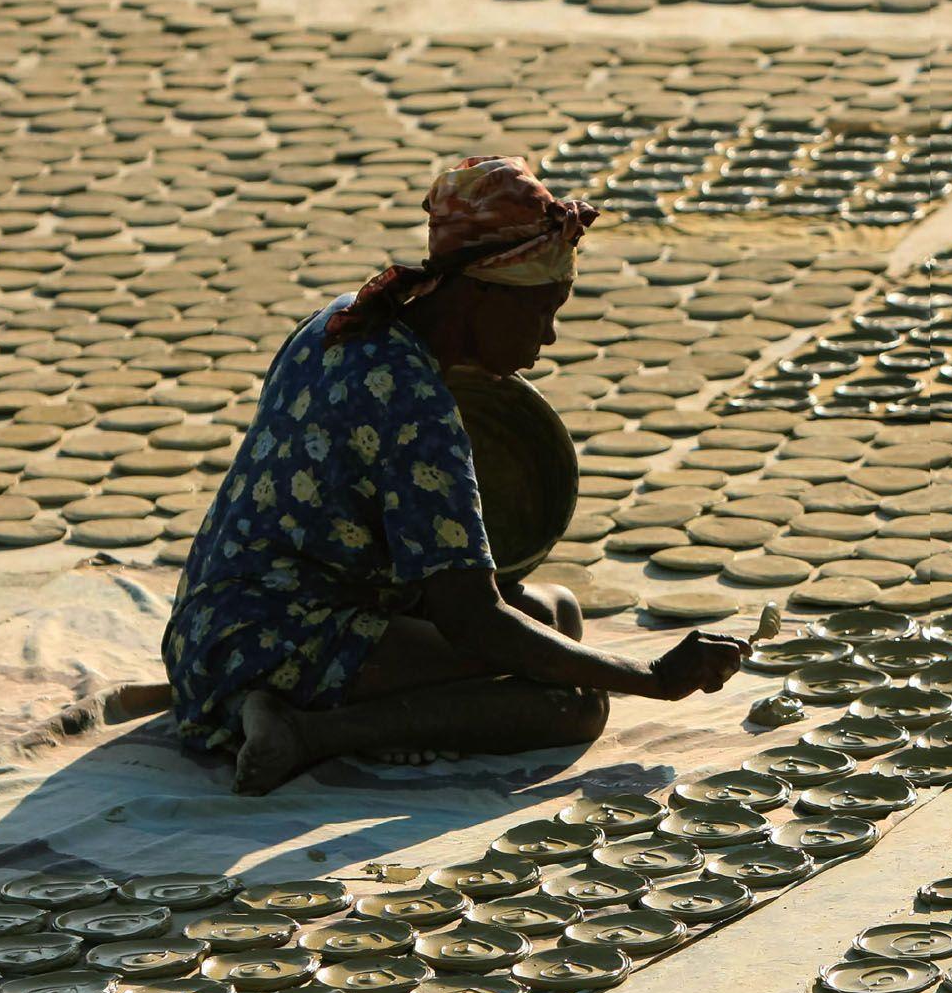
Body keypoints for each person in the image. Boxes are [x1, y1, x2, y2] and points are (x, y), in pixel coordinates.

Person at [161, 156, 747, 795]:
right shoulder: (416, 406)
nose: (549, 337)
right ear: (482, 296)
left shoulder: (350, 315)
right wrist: (653, 676)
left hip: (210, 621)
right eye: (542, 310)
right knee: (572, 704)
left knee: (558, 611)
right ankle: (304, 730)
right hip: (275, 636)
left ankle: (270, 710)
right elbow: (475, 619)